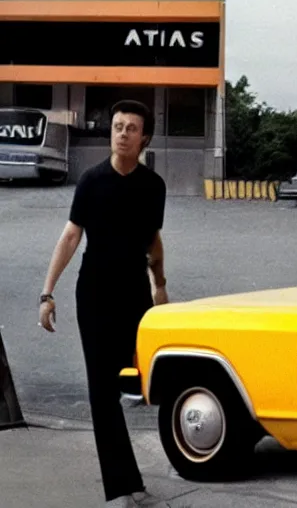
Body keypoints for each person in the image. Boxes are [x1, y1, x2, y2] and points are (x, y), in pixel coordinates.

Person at [38, 100, 169, 507]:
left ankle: (135, 473)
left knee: (139, 381)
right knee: (100, 392)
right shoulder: (92, 182)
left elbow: (152, 241)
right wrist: (47, 292)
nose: (123, 133)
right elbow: (70, 237)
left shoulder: (153, 186)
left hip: (135, 294)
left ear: (143, 137)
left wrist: (160, 286)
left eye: (131, 128)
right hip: (93, 295)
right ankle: (121, 486)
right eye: (117, 126)